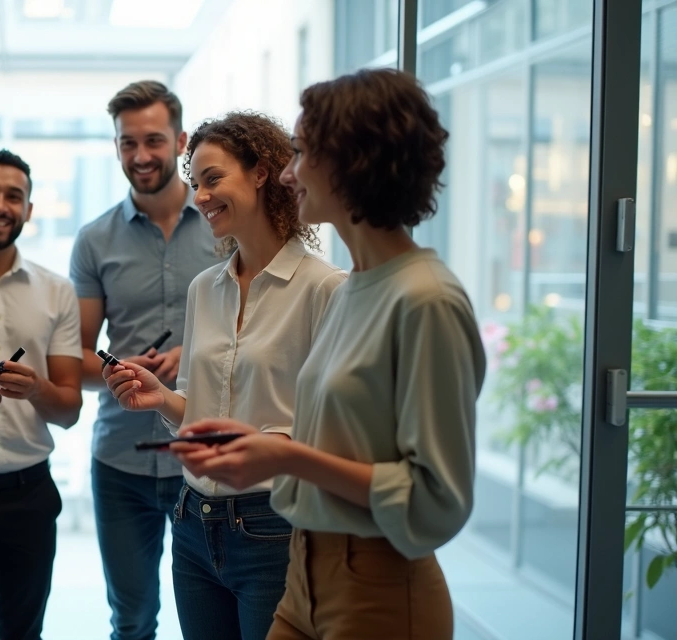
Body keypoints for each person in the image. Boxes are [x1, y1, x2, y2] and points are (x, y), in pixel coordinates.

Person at [175, 69, 486, 640]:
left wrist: (282, 457)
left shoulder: (425, 300)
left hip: (380, 587)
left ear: (353, 160)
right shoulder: (361, 288)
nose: (289, 173)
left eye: (301, 152)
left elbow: (436, 501)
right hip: (306, 568)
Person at [104, 111, 345, 640]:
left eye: (213, 180)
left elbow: (334, 432)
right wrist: (164, 399)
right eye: (196, 184)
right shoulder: (204, 289)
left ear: (262, 173)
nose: (201, 197)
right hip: (192, 522)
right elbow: (203, 411)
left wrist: (269, 443)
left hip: (273, 527)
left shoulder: (326, 289)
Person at [69, 80, 222, 640]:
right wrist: (116, 368)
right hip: (122, 462)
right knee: (132, 622)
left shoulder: (223, 226)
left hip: (205, 455)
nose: (141, 156)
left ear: (180, 141)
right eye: (127, 143)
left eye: (154, 140)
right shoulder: (93, 241)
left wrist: (194, 357)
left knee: (208, 624)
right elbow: (77, 360)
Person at [0, 149, 83, 640]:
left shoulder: (56, 291)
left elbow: (70, 411)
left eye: (15, 196)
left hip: (29, 496)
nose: (0, 205)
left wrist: (36, 389)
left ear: (29, 209)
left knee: (23, 633)